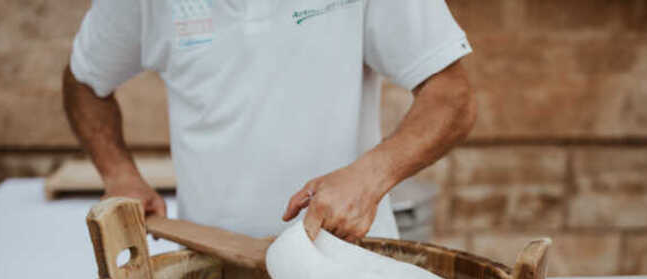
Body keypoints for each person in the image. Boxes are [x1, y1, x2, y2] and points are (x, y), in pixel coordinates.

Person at [64, 0, 476, 242]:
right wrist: (119, 174)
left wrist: (370, 177)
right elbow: (84, 80)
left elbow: (451, 96)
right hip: (209, 272)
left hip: (350, 263)